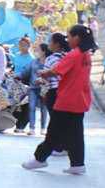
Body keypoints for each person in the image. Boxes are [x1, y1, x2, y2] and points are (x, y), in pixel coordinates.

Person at [23, 24, 96, 174]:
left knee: (54, 131)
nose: (67, 40)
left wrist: (44, 73)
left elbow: (56, 70)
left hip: (67, 99)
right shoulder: (86, 54)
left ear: (77, 37)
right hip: (80, 99)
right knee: (76, 133)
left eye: (69, 36)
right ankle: (77, 164)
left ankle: (39, 159)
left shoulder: (74, 54)